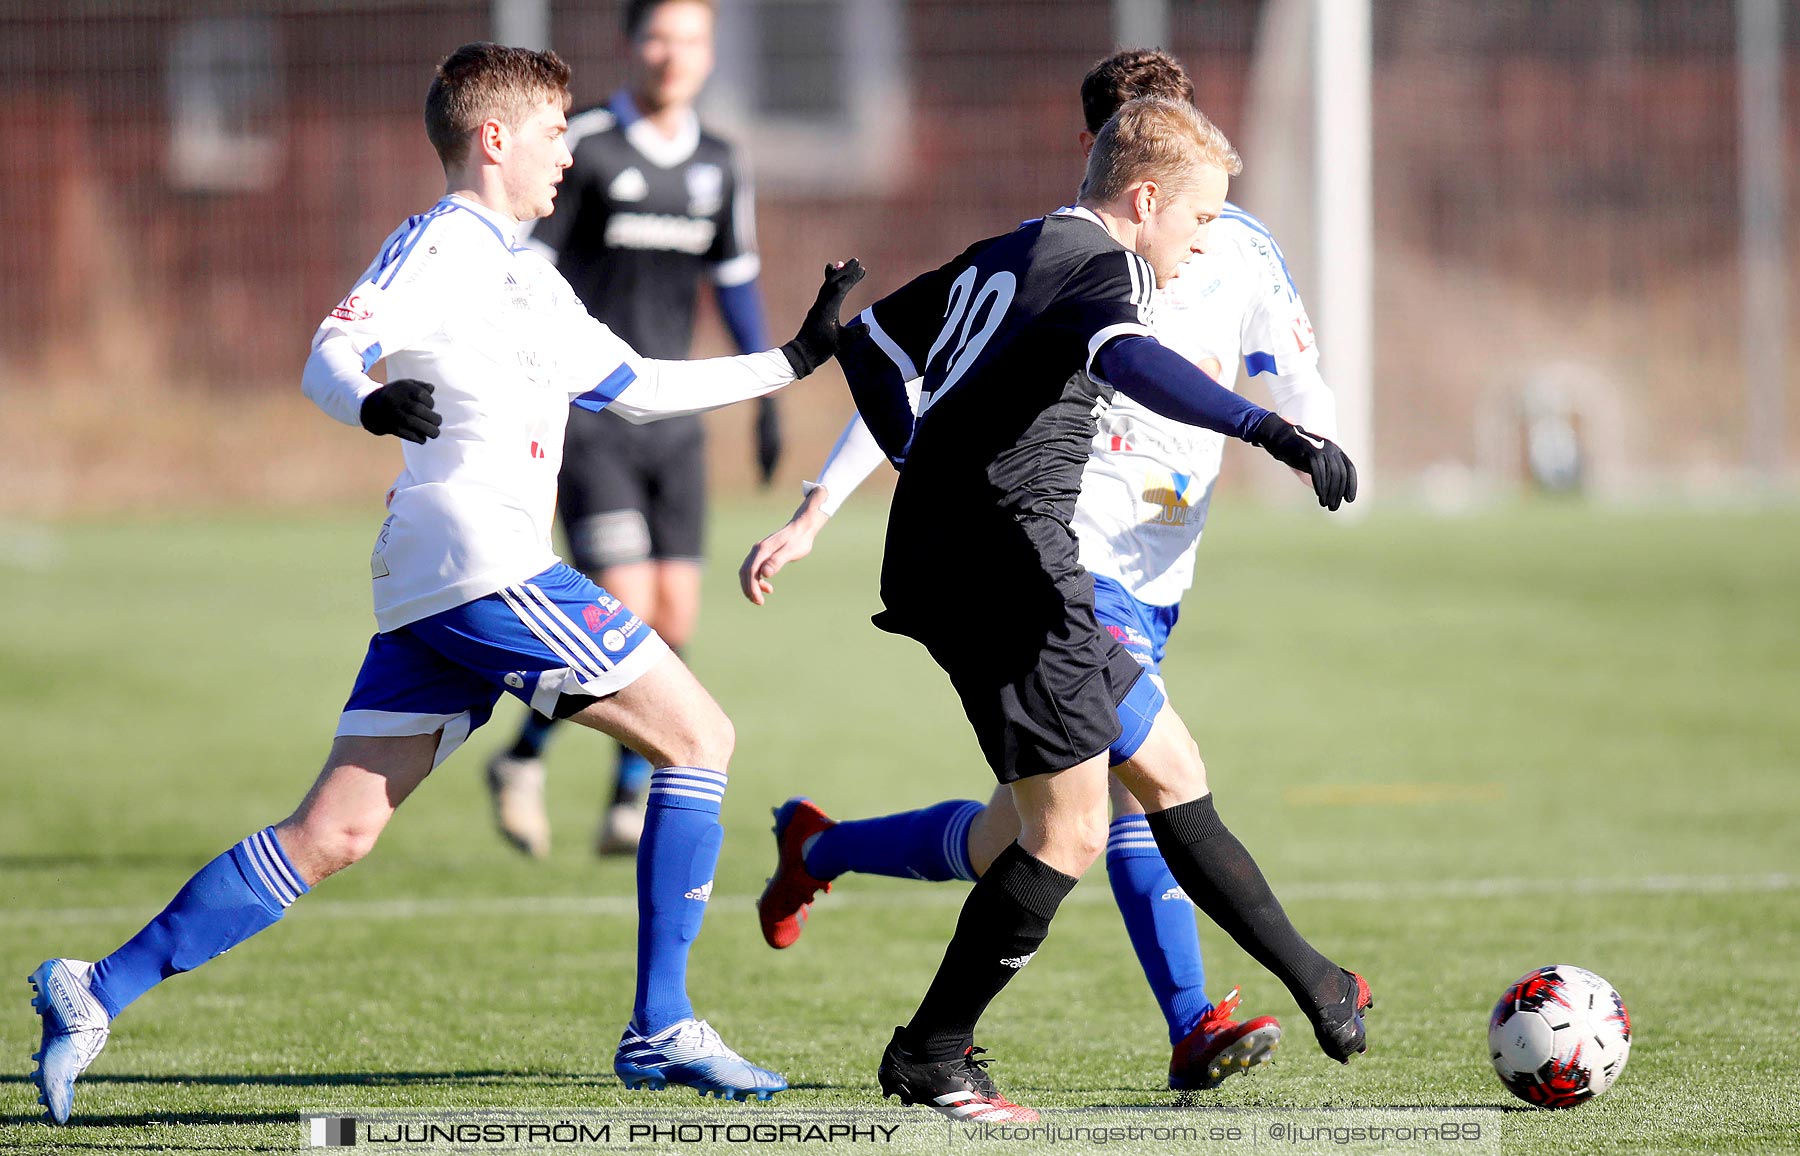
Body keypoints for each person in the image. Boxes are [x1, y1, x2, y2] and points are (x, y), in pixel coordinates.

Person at [25, 41, 863, 1125]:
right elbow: (333, 347)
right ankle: (661, 1023)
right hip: (482, 560)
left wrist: (794, 360)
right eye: (557, 131)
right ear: (495, 138)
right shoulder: (440, 242)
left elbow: (637, 386)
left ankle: (95, 989)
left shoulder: (532, 272)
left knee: (334, 834)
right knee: (700, 739)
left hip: (442, 578)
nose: (570, 150)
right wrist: (367, 404)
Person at [742, 49, 1346, 1097]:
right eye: (1198, 217)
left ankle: (1321, 981)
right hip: (1027, 566)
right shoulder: (1100, 265)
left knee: (1084, 803)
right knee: (1079, 824)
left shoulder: (1020, 248)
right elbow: (1125, 358)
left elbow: (872, 338)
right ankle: (954, 1052)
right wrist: (1266, 432)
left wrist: (921, 454)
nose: (1206, 239)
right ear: (1138, 183)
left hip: (1009, 560)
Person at [487, 0, 779, 859]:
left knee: (676, 611)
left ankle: (590, 785)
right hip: (592, 416)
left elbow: (735, 281)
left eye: (690, 38)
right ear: (630, 44)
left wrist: (765, 393)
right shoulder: (581, 146)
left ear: (709, 52)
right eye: (658, 35)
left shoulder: (722, 161)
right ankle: (556, 769)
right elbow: (527, 273)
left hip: (675, 420)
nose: (672, 53)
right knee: (623, 603)